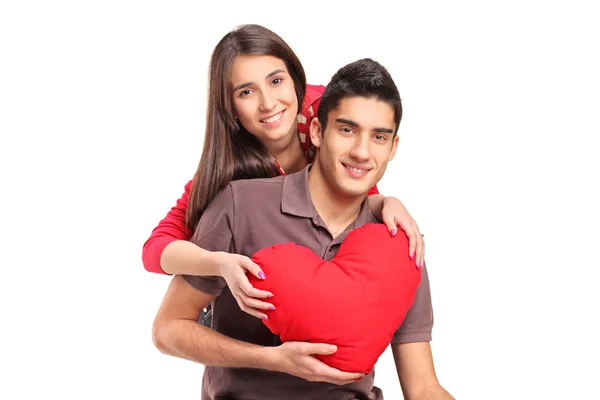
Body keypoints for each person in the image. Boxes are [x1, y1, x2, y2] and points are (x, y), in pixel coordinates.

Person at [152, 58, 453, 400]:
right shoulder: (240, 205)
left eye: (379, 137)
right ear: (317, 132)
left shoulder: (398, 238)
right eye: (347, 130)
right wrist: (271, 360)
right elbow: (167, 329)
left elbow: (424, 387)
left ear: (393, 148)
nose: (361, 152)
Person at [142, 24, 426, 325]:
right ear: (230, 107)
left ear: (294, 79)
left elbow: (360, 159)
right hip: (256, 302)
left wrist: (383, 201)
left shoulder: (323, 109)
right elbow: (155, 250)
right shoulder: (226, 168)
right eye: (247, 91)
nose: (268, 103)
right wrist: (219, 262)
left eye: (276, 81)